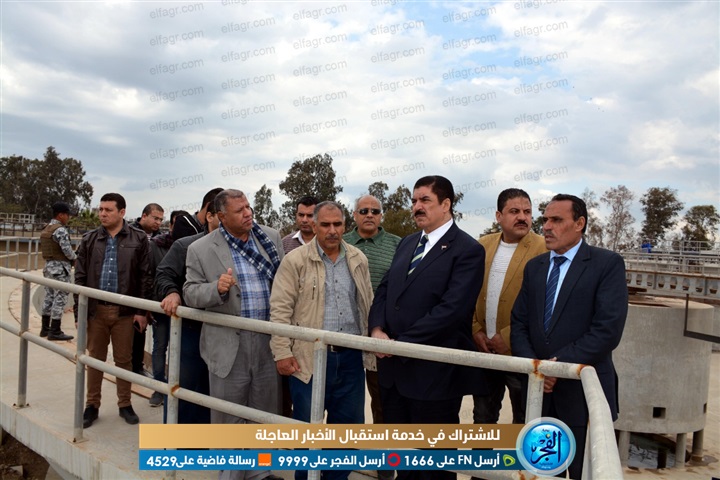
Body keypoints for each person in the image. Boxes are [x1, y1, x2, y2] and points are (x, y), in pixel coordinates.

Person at [369, 175, 486, 480]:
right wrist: (377, 329)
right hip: (394, 374)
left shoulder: (468, 250)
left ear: (446, 205)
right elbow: (385, 290)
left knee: (433, 465)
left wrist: (402, 343)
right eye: (414, 201)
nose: (417, 207)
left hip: (433, 376)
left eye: (425, 200)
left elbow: (452, 310)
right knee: (404, 460)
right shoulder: (408, 242)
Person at [511, 194, 628, 479]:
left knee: (581, 473)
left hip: (582, 400)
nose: (547, 227)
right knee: (540, 473)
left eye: (556, 220)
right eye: (545, 220)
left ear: (579, 223)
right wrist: (536, 368)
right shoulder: (535, 267)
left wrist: (556, 367)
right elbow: (519, 323)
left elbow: (607, 330)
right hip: (539, 397)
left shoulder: (606, 264)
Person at [183, 189, 284, 480]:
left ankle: (260, 472)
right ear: (222, 216)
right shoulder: (200, 248)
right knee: (229, 414)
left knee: (263, 411)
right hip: (228, 344)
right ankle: (230, 474)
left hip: (267, 341)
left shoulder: (270, 238)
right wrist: (216, 289)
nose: (248, 213)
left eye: (248, 207)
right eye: (239, 210)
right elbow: (190, 292)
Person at [270, 201, 373, 480]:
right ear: (314, 226)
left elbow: (367, 303)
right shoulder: (295, 261)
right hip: (309, 358)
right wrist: (282, 351)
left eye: (337, 224)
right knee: (308, 431)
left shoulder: (358, 259)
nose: (332, 230)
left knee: (347, 431)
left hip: (351, 358)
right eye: (325, 225)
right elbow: (280, 309)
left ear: (345, 226)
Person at [74, 193, 153, 429]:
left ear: (122, 212)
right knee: (94, 360)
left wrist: (141, 311)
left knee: (124, 360)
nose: (102, 214)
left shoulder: (139, 239)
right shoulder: (89, 239)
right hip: (96, 311)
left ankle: (125, 404)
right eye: (100, 209)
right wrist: (80, 313)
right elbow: (79, 277)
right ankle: (92, 405)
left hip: (125, 313)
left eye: (108, 210)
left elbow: (145, 277)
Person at [472, 189, 547, 426]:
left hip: (521, 354)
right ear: (498, 216)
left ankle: (521, 454)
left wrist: (508, 337)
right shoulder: (482, 245)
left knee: (525, 421)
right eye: (514, 211)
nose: (522, 217)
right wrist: (475, 331)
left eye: (527, 212)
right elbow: (467, 291)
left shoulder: (544, 248)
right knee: (482, 418)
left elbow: (544, 304)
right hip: (484, 352)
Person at [343, 194, 400, 480]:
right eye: (363, 210)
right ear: (354, 215)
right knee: (346, 402)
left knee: (382, 402)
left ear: (381, 215)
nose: (369, 215)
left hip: (381, 335)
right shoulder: (341, 242)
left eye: (375, 211)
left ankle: (385, 462)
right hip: (345, 336)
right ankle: (344, 458)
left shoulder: (397, 244)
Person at [155, 196, 222, 424]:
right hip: (191, 331)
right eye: (222, 213)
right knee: (183, 388)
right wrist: (172, 292)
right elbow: (163, 274)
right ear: (209, 215)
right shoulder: (185, 246)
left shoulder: (240, 248)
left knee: (212, 393)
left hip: (223, 334)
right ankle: (176, 441)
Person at [147, 210, 190, 407]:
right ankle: (159, 388)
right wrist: (148, 306)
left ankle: (176, 387)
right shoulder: (156, 246)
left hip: (183, 310)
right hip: (162, 307)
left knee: (179, 350)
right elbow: (149, 275)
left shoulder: (189, 246)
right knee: (160, 346)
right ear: (171, 226)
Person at [39, 201, 77, 341]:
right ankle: (55, 330)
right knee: (60, 299)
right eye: (67, 215)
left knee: (49, 297)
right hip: (60, 269)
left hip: (49, 267)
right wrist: (76, 258)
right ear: (61, 215)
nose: (68, 217)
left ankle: (45, 328)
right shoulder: (60, 230)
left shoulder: (47, 228)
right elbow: (67, 251)